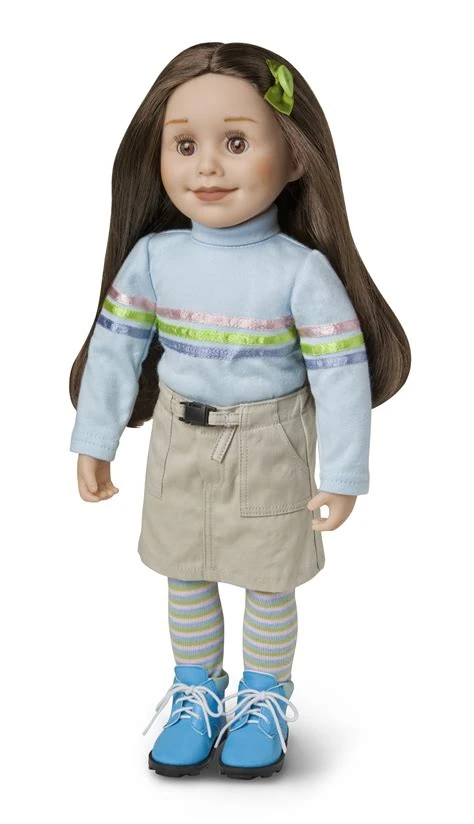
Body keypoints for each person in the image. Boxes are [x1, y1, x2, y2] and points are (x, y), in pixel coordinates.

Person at [69, 42, 410, 780]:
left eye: (235, 143)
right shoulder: (153, 258)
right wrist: (96, 439)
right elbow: (116, 350)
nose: (207, 169)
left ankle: (263, 697)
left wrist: (342, 474)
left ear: (294, 159)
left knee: (267, 578)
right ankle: (196, 693)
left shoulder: (302, 271)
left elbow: (340, 376)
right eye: (185, 145)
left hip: (270, 446)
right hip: (178, 441)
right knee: (184, 571)